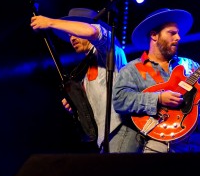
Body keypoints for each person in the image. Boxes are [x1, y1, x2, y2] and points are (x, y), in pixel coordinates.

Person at [112, 8, 200, 153]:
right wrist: (158, 98)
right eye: (172, 33)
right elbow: (119, 100)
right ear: (154, 35)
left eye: (178, 33)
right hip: (160, 142)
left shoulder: (189, 65)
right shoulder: (133, 69)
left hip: (198, 141)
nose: (178, 37)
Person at [30, 8, 142, 153]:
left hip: (122, 129)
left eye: (75, 32)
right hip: (105, 138)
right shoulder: (86, 69)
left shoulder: (109, 49)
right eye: (70, 35)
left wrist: (50, 22)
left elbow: (93, 32)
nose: (72, 38)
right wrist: (77, 105)